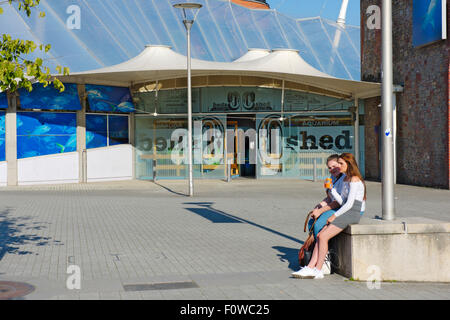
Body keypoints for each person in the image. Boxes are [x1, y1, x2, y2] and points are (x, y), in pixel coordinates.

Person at [292, 152, 366, 279]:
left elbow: (349, 204)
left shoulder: (354, 179)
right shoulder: (346, 178)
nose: (339, 166)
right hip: (346, 210)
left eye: (341, 164)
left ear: (348, 164)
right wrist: (331, 189)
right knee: (321, 235)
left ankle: (318, 269)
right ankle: (311, 267)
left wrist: (334, 216)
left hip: (352, 212)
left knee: (324, 236)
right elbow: (342, 201)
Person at [306, 154, 348, 241]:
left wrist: (321, 210)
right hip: (332, 206)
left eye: (334, 166)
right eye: (329, 167)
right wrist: (319, 206)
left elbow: (337, 202)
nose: (332, 169)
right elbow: (329, 198)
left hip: (340, 208)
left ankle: (323, 248)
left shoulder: (344, 179)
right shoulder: (332, 177)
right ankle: (316, 246)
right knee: (311, 222)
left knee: (318, 224)